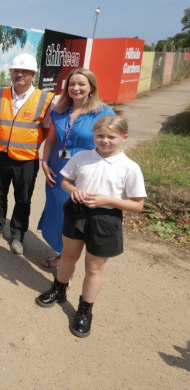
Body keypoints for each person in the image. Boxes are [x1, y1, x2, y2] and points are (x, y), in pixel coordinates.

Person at [35, 116, 145, 338]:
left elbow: (137, 204)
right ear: (93, 136)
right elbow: (65, 181)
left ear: (124, 138)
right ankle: (59, 288)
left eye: (111, 137)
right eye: (100, 136)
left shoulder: (129, 168)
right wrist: (72, 190)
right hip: (77, 213)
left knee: (93, 268)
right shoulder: (82, 157)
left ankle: (85, 309)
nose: (104, 141)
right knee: (67, 257)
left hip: (105, 219)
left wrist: (109, 201)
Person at [37, 69, 115, 269]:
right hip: (58, 171)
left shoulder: (103, 112)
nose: (76, 88)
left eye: (81, 84)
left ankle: (66, 264)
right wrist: (44, 162)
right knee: (56, 212)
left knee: (73, 217)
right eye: (72, 84)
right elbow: (52, 139)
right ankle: (61, 254)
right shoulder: (59, 110)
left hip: (85, 173)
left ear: (91, 87)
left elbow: (112, 142)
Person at [0, 53, 54, 254]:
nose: (19, 74)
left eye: (25, 71)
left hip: (27, 160)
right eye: (16, 71)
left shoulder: (45, 99)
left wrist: (27, 143)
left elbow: (48, 129)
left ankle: (17, 235)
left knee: (23, 199)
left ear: (33, 75)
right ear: (11, 73)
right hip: (0, 155)